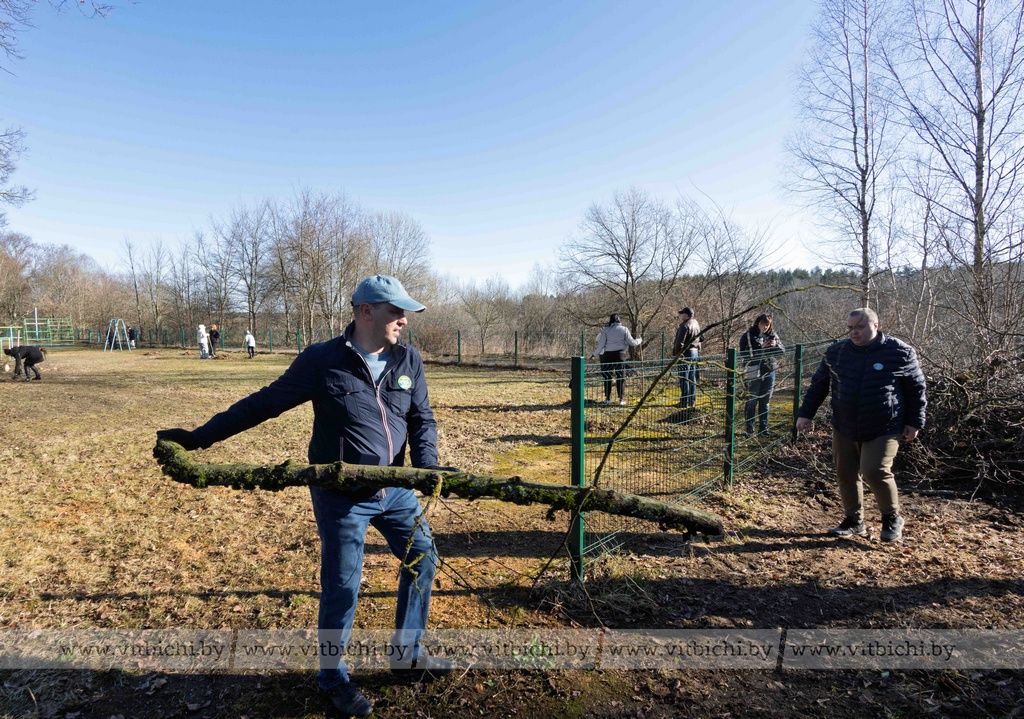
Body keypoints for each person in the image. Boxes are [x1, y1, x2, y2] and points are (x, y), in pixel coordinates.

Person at [157, 275, 454, 717]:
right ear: (366, 311)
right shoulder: (322, 361)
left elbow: (421, 419)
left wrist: (426, 466)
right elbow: (264, 403)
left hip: (397, 491)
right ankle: (332, 678)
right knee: (341, 586)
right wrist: (201, 438)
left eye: (405, 313)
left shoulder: (407, 358)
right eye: (396, 311)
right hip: (341, 496)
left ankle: (407, 655)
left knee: (423, 557)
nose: (404, 321)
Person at [796, 307, 926, 543]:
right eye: (850, 328)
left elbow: (916, 390)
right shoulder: (837, 352)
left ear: (875, 325)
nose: (854, 333)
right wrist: (806, 414)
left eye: (860, 327)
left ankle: (891, 518)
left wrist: (914, 422)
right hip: (844, 424)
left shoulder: (899, 352)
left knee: (874, 470)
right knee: (846, 473)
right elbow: (819, 385)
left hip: (885, 425)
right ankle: (854, 521)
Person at [739, 313, 784, 437]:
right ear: (757, 323)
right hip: (752, 370)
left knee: (765, 401)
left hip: (769, 371)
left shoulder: (773, 336)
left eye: (767, 325)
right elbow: (743, 354)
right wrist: (761, 346)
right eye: (762, 324)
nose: (764, 327)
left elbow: (782, 352)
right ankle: (749, 429)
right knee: (752, 400)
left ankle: (763, 429)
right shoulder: (748, 336)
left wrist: (776, 346)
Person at [592, 314, 642, 405]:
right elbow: (632, 343)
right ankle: (621, 399)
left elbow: (601, 344)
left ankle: (607, 399)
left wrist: (594, 354)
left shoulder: (606, 330)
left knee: (607, 377)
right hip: (620, 355)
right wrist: (639, 340)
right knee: (620, 376)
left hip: (608, 355)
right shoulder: (624, 329)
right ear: (619, 320)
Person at [671, 307, 701, 409]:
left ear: (687, 315)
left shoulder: (684, 325)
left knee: (684, 378)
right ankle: (692, 400)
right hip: (695, 353)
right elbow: (701, 338)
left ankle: (684, 401)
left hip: (685, 354)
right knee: (692, 378)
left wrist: (677, 354)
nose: (681, 316)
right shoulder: (696, 323)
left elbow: (679, 342)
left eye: (682, 314)